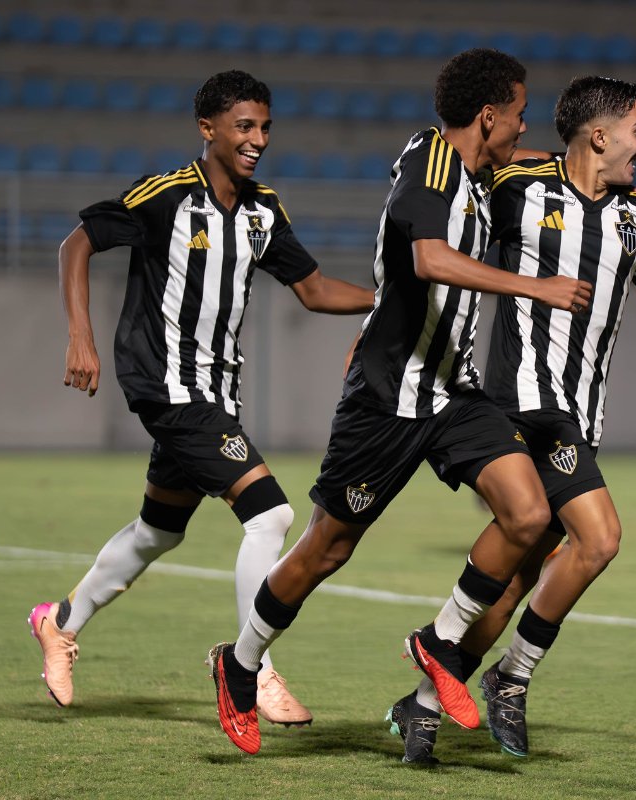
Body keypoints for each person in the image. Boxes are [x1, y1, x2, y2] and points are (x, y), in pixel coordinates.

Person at [208, 48, 593, 755]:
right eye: (518, 113)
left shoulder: (481, 170)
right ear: (487, 115)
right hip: (386, 400)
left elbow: (540, 162)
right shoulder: (432, 164)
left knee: (531, 514)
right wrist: (535, 286)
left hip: (453, 393)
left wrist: (593, 160)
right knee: (326, 549)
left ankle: (439, 643)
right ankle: (238, 665)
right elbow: (428, 259)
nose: (522, 126)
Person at [387, 75, 636, 764]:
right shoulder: (517, 185)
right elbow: (440, 214)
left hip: (579, 415)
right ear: (600, 136)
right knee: (599, 539)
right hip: (519, 408)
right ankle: (509, 678)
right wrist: (386, 329)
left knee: (515, 585)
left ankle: (423, 703)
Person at [28, 70, 376, 728]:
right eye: (245, 126)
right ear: (208, 129)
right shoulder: (166, 197)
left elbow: (314, 289)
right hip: (167, 387)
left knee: (156, 531)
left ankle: (58, 620)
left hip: (216, 394)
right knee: (269, 516)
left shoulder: (263, 211)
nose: (258, 139)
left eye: (266, 127)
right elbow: (77, 243)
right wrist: (82, 336)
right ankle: (252, 671)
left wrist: (387, 301)